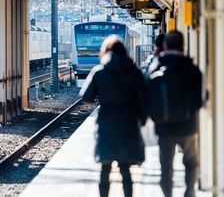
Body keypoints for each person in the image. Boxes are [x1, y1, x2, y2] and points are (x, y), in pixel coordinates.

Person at [79, 35, 146, 197]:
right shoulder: (135, 71)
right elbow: (145, 99)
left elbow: (86, 97)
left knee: (105, 169)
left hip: (106, 125)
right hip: (129, 124)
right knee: (126, 169)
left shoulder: (99, 71)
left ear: (105, 51)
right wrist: (141, 121)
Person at [147, 31, 202, 197]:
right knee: (191, 162)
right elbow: (198, 101)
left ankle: (168, 195)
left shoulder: (155, 67)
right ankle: (189, 192)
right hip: (188, 126)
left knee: (166, 166)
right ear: (183, 46)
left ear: (165, 46)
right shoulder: (192, 69)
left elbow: (147, 96)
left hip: (164, 128)